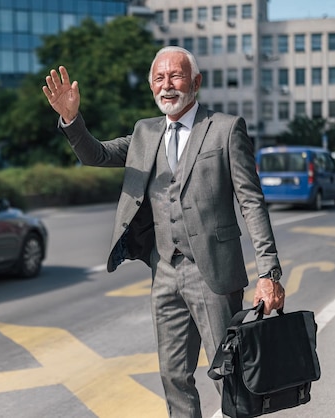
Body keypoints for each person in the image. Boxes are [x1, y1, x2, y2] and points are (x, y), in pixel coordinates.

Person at [42, 46, 285, 417]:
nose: (167, 86)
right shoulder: (145, 132)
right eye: (159, 78)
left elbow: (252, 203)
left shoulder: (225, 129)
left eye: (175, 76)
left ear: (196, 82)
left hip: (215, 275)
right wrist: (73, 120)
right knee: (173, 377)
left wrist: (268, 273)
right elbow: (97, 154)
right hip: (165, 273)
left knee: (231, 376)